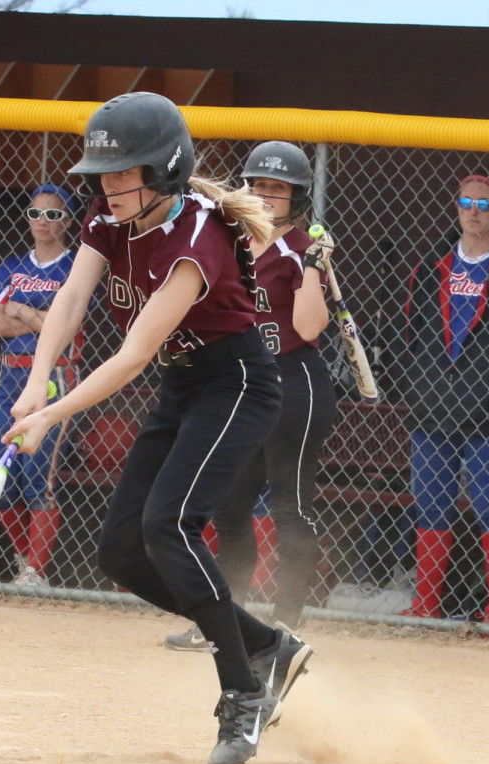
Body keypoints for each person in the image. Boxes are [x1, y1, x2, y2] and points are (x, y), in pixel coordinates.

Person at [2, 92, 315, 764]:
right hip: (182, 388)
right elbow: (72, 299)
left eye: (125, 175)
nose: (109, 189)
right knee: (121, 551)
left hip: (234, 385)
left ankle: (242, 691)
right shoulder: (111, 218)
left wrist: (52, 414)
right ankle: (265, 643)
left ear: (165, 172)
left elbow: (133, 354)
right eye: (104, 176)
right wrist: (36, 381)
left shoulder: (196, 238)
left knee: (168, 524)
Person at [163, 141, 337, 649]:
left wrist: (313, 267)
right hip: (243, 386)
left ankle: (285, 627)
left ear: (297, 197)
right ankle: (225, 623)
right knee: (228, 507)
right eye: (259, 186)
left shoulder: (300, 250)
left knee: (290, 509)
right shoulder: (228, 241)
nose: (265, 196)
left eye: (277, 190)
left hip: (294, 385)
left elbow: (308, 326)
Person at [399, 173, 489, 625]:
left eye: (484, 204)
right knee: (430, 502)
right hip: (433, 405)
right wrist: (417, 386)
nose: (474, 211)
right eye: (466, 203)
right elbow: (408, 335)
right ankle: (426, 605)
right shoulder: (431, 266)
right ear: (456, 207)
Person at [0, 184, 81, 586]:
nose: (43, 221)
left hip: (57, 374)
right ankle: (23, 562)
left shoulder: (75, 267)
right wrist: (40, 318)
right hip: (10, 372)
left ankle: (36, 570)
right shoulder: (9, 267)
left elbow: (63, 329)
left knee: (38, 473)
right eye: (36, 213)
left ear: (68, 222)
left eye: (54, 215)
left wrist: (20, 310)